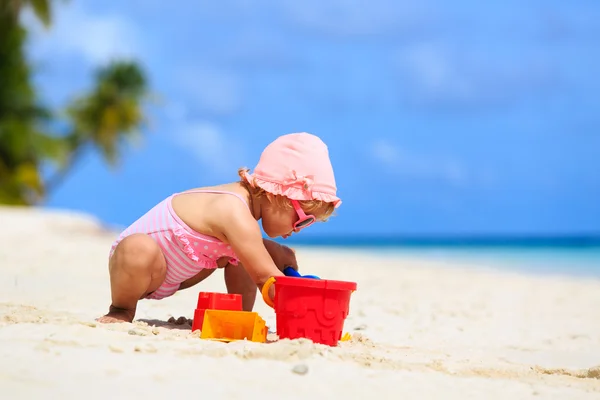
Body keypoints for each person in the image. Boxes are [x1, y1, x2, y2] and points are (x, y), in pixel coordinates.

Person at [97, 132, 342, 323]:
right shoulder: (231, 208)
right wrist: (307, 310)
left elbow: (263, 255)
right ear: (278, 196)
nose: (300, 228)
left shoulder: (246, 214)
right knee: (137, 248)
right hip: (141, 268)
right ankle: (121, 309)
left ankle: (240, 317)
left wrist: (286, 261)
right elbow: (266, 278)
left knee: (252, 252)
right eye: (303, 219)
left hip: (179, 273)